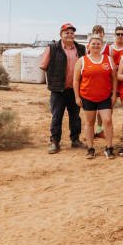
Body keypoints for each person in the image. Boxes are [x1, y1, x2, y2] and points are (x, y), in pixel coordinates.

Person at [39, 23, 88, 154]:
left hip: (75, 90)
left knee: (75, 116)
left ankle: (75, 140)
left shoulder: (82, 49)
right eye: (67, 32)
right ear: (60, 34)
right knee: (56, 116)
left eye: (72, 33)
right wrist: (55, 75)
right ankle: (55, 141)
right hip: (58, 89)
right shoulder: (52, 48)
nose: (70, 35)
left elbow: (86, 67)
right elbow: (43, 65)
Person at [73, 35, 117, 159]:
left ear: (102, 45)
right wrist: (77, 97)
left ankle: (109, 147)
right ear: (89, 46)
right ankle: (90, 148)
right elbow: (76, 80)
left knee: (107, 120)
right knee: (90, 122)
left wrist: (114, 95)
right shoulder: (82, 60)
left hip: (104, 96)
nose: (96, 45)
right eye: (93, 43)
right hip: (87, 96)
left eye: (98, 43)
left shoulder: (108, 60)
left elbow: (114, 78)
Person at [88, 25, 112, 139]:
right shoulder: (88, 47)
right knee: (90, 112)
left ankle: (101, 129)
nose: (98, 33)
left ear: (104, 34)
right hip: (91, 83)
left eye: (100, 32)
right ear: (93, 34)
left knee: (104, 111)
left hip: (105, 82)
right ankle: (92, 131)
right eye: (96, 32)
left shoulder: (109, 48)